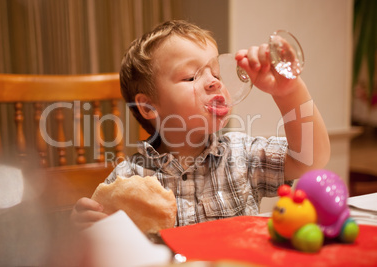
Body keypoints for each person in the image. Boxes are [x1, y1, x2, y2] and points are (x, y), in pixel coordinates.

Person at [71, 20, 330, 230]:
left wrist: (288, 91)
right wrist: (88, 229)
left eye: (216, 73)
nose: (214, 81)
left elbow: (309, 159)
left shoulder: (242, 154)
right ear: (148, 107)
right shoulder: (129, 180)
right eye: (191, 76)